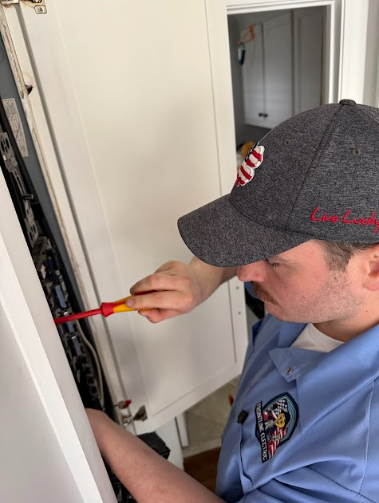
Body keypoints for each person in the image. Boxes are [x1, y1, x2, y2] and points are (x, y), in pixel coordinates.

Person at [87, 99, 379, 502]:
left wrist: (97, 430)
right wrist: (200, 277)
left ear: (373, 267)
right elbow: (245, 262)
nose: (244, 272)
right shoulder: (319, 292)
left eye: (274, 260)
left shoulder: (363, 458)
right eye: (249, 248)